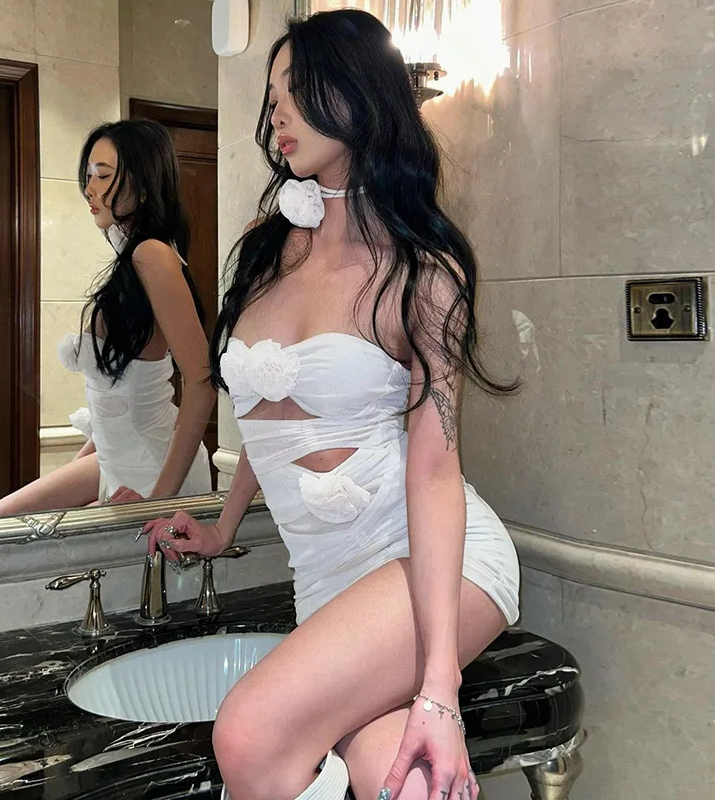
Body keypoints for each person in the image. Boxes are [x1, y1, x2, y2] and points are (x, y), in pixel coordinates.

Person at [142, 10, 519, 800]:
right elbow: (271, 415)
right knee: (403, 785)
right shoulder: (265, 247)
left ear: (359, 93)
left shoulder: (422, 272)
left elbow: (434, 472)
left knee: (248, 732)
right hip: (325, 582)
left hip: (433, 563)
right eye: (272, 94)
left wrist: (439, 689)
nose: (277, 110)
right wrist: (223, 527)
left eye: (298, 88)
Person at [0, 120, 214, 517]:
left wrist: (158, 501)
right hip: (117, 461)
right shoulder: (131, 262)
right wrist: (80, 466)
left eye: (103, 175)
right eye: (88, 175)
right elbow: (115, 400)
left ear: (144, 185)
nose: (89, 188)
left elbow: (201, 381)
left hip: (153, 468)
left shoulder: (152, 255)